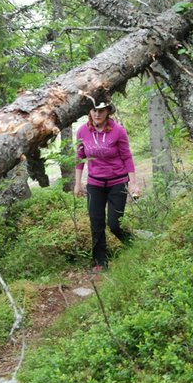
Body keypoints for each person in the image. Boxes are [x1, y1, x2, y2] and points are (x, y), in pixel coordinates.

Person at [74, 100, 140, 271]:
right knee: (96, 224)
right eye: (94, 110)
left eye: (101, 110)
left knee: (114, 224)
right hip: (95, 184)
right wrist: (77, 183)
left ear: (108, 111)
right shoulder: (82, 131)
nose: (97, 114)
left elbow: (127, 157)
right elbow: (80, 158)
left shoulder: (118, 131)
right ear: (89, 112)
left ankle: (136, 245)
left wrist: (133, 183)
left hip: (117, 183)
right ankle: (100, 263)